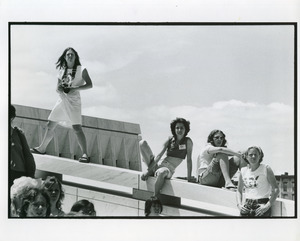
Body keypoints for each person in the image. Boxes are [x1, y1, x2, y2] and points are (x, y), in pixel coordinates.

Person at [31, 47, 93, 163]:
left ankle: (85, 154)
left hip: (74, 101)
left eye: (72, 55)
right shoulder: (61, 71)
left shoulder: (82, 69)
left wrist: (75, 87)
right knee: (50, 123)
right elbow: (57, 88)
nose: (70, 56)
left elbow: (90, 85)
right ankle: (42, 148)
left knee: (77, 128)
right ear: (65, 57)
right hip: (62, 99)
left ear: (75, 57)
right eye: (68, 54)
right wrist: (60, 89)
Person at [139, 117, 194, 200]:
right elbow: (159, 155)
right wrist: (148, 170)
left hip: (167, 169)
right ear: (174, 129)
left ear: (186, 129)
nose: (179, 130)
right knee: (142, 143)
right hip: (156, 165)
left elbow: (189, 160)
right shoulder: (170, 139)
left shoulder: (188, 141)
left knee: (162, 172)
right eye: (177, 128)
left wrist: (189, 177)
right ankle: (152, 172)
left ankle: (154, 198)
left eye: (182, 128)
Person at [236, 146, 279, 217]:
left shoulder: (266, 168)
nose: (253, 156)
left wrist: (267, 206)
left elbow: (276, 189)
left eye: (256, 154)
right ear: (246, 157)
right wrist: (239, 205)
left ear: (260, 156)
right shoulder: (243, 171)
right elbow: (239, 190)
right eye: (250, 155)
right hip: (246, 206)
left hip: (262, 206)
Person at [10, 105, 36, 187]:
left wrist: (30, 177)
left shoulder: (18, 133)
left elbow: (28, 155)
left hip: (19, 174)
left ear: (12, 118)